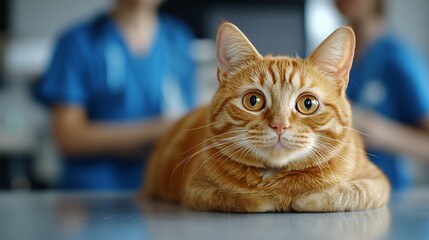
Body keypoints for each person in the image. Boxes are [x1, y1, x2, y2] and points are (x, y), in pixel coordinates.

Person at [37, 0, 196, 190]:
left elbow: (186, 126)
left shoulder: (177, 39)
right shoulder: (77, 42)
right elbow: (68, 137)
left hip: (159, 191)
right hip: (91, 197)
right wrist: (155, 130)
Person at [335, 0, 429, 189]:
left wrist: (380, 132)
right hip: (333, 191)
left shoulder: (398, 59)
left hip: (388, 193)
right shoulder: (323, 56)